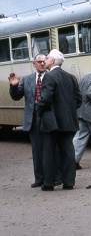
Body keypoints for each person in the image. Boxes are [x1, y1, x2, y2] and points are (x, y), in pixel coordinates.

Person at [8, 54, 62, 188]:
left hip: (48, 118)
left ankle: (56, 176)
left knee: (52, 148)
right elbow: (16, 97)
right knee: (36, 149)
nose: (42, 64)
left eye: (44, 61)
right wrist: (14, 86)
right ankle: (39, 178)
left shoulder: (52, 77)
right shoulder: (27, 80)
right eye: (39, 62)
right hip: (32, 119)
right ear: (34, 64)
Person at [38, 49, 82, 191]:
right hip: (68, 120)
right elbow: (79, 100)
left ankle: (49, 183)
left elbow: (45, 99)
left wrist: (39, 110)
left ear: (52, 61)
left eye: (47, 58)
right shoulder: (71, 77)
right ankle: (69, 182)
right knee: (68, 151)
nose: (45, 60)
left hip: (52, 121)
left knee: (49, 152)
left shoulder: (49, 77)